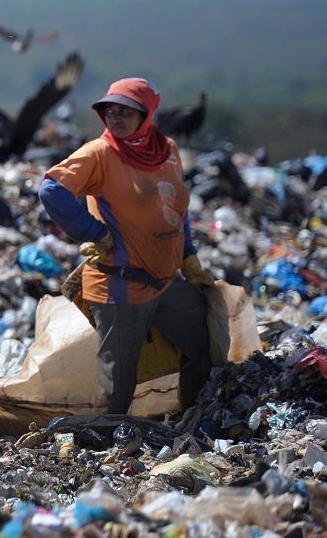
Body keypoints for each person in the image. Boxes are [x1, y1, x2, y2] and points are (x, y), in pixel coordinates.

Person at [38, 77, 216, 414]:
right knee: (118, 386)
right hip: (121, 288)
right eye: (110, 111)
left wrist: (188, 255)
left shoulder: (167, 150)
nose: (116, 117)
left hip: (166, 283)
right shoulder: (100, 153)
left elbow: (176, 208)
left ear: (146, 115)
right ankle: (96, 442)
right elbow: (52, 190)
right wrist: (96, 233)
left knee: (203, 346)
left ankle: (191, 423)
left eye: (126, 111)